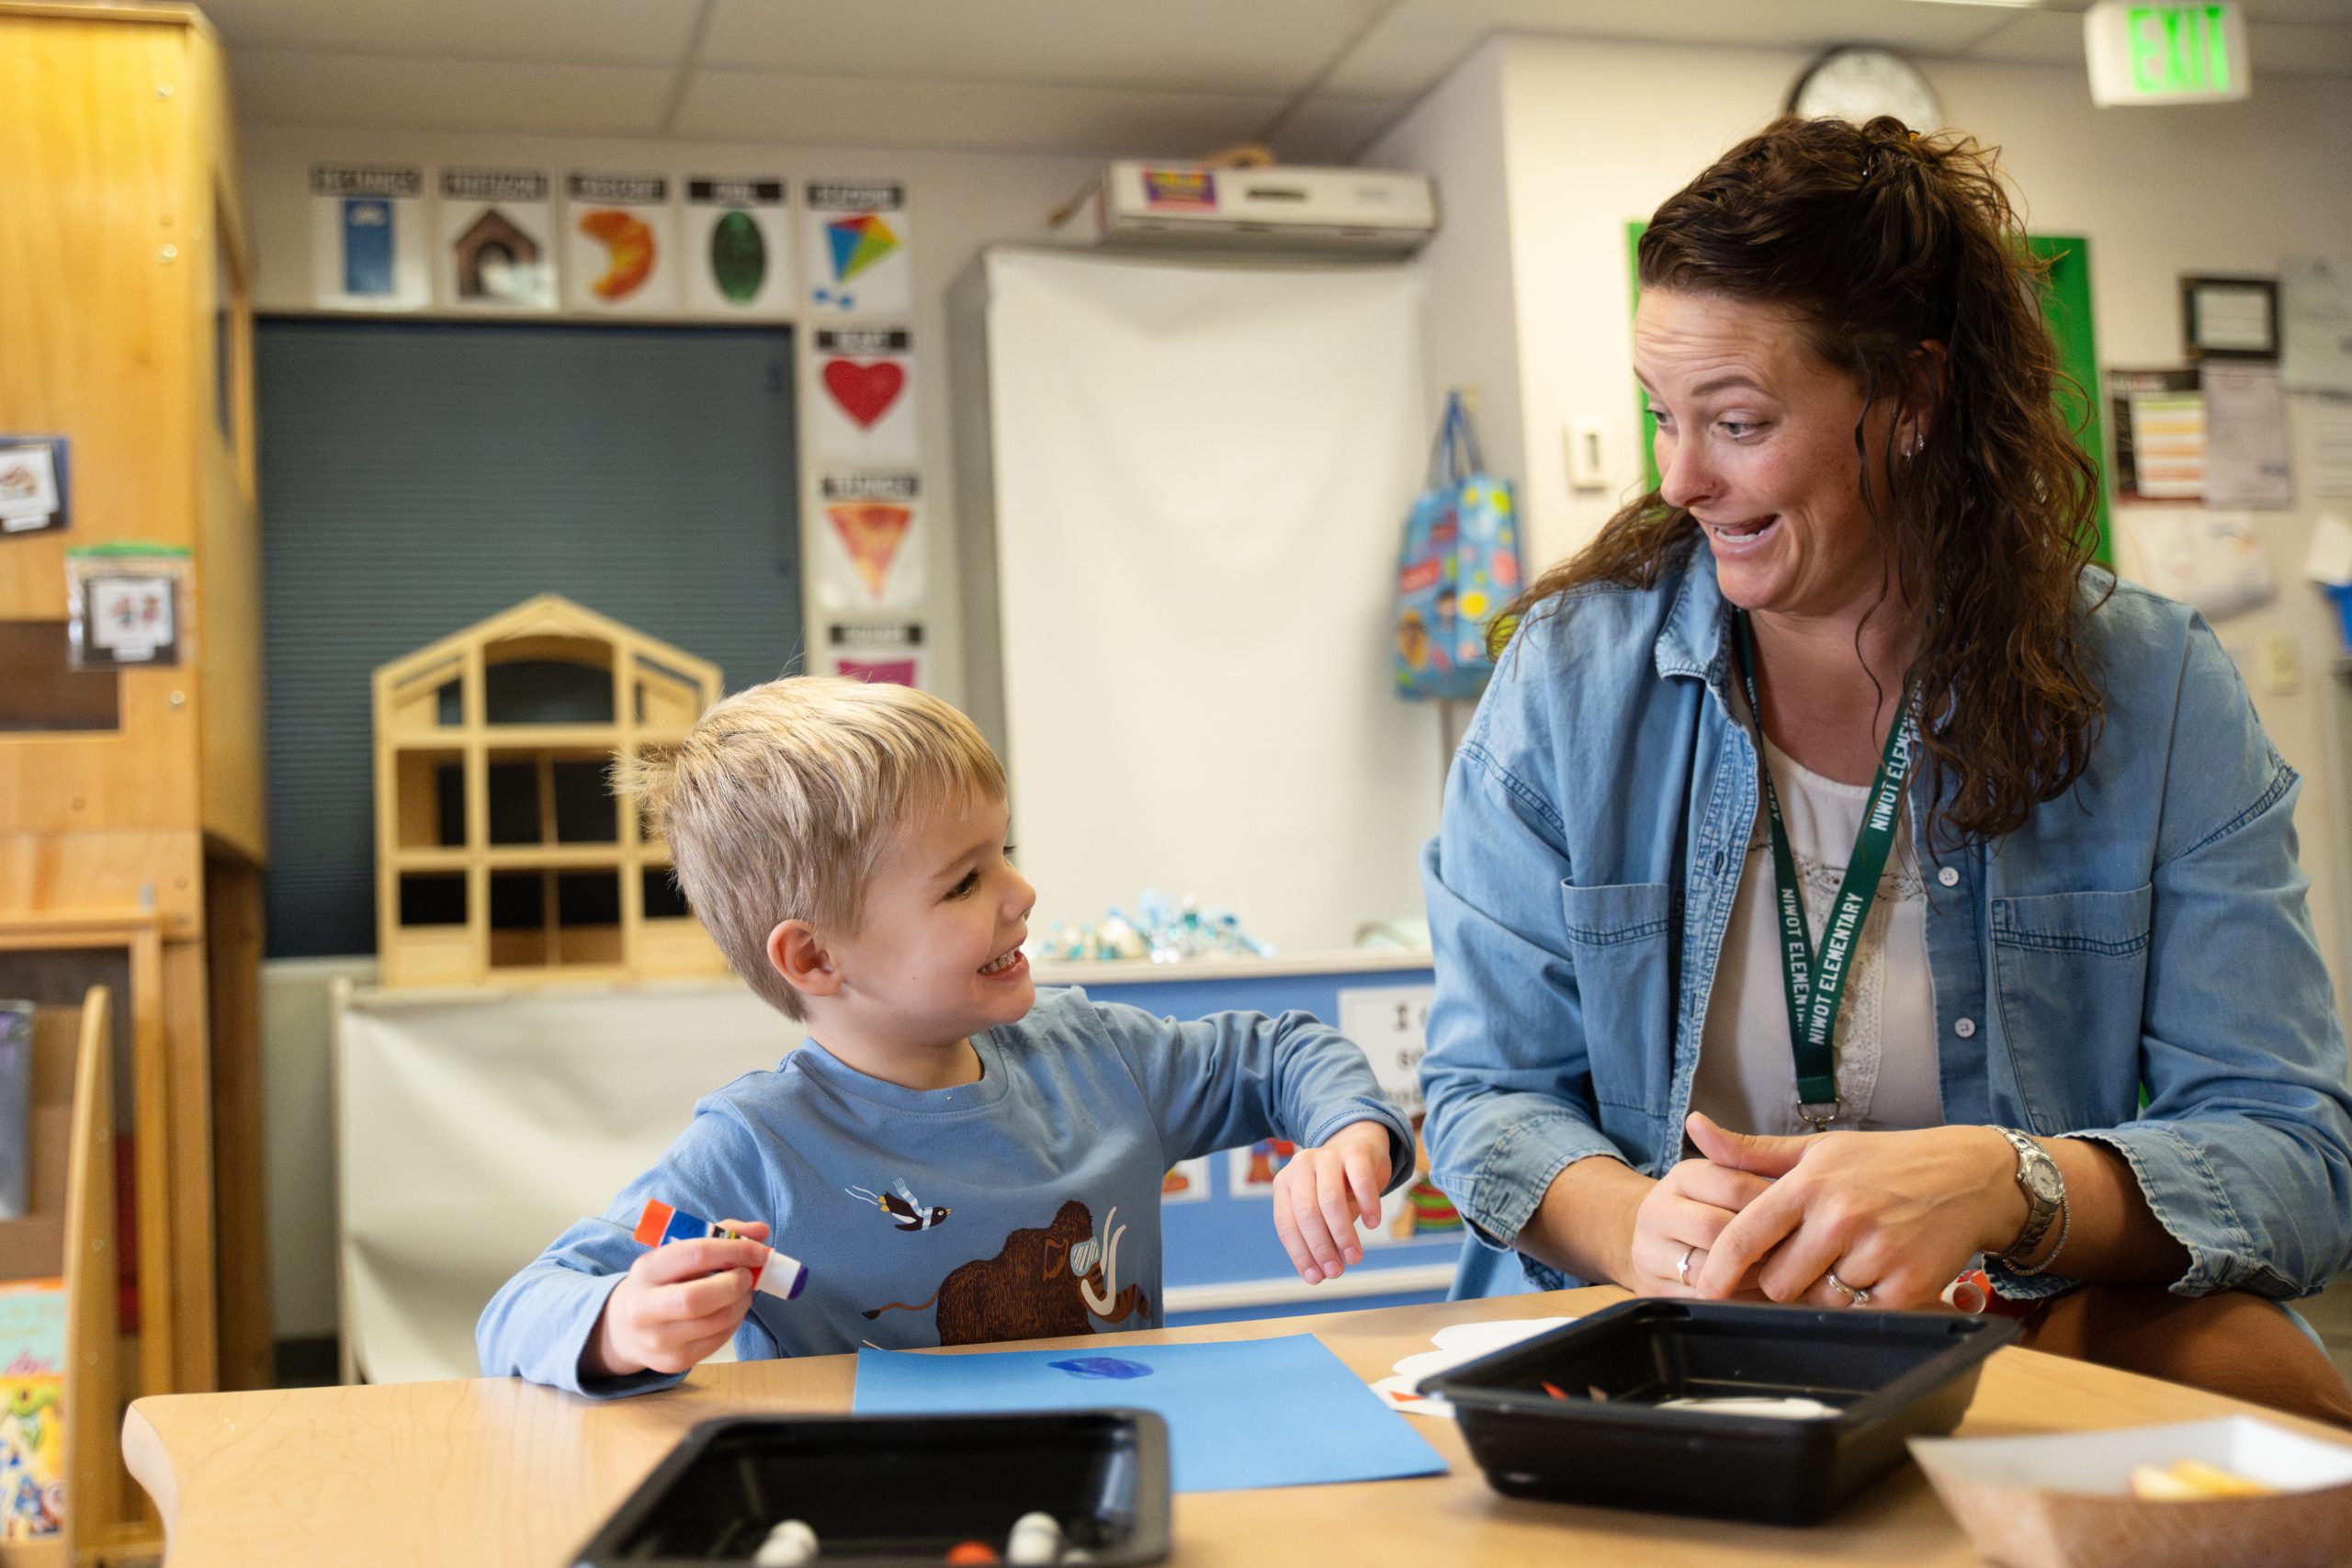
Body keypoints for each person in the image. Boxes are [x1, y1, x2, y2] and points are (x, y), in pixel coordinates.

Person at [1419, 114, 2352, 1424]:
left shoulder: (2153, 687)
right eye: (1660, 416)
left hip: (2003, 1343)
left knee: (2272, 1379)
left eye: (1737, 421)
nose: (1679, 476)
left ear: (1911, 401)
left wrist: (2011, 1183)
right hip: (1663, 1344)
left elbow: (2296, 1152)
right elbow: (1484, 1093)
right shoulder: (1571, 680)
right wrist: (1644, 1224)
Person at [479, 676, 1409, 1396]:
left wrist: (1346, 1136)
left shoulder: (1096, 1056)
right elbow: (519, 1310)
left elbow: (1284, 1050)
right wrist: (619, 1323)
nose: (1020, 894)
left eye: (1004, 851)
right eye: (963, 883)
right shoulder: (753, 1150)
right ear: (813, 958)